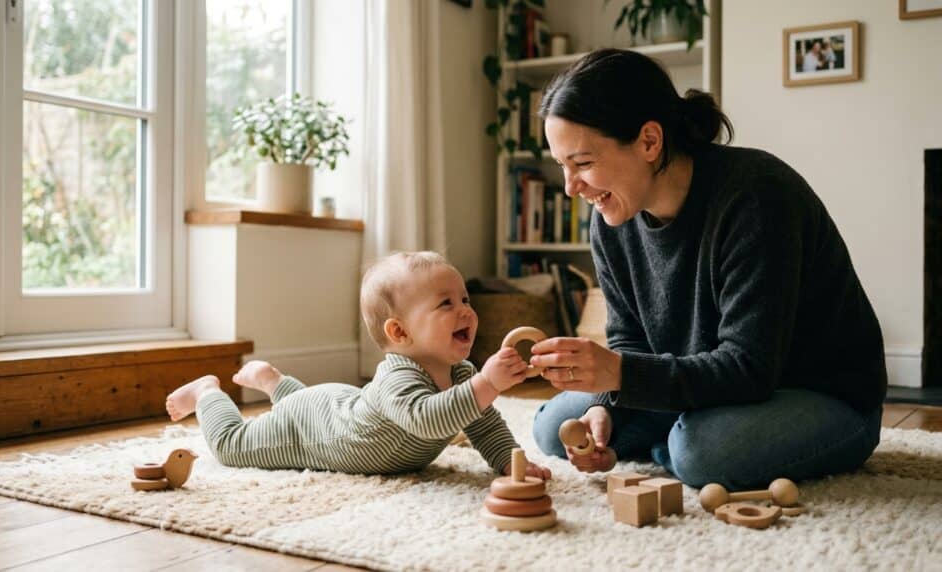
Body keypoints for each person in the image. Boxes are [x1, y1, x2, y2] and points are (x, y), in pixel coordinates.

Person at [528, 48, 886, 490]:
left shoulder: (757, 196)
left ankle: (676, 439)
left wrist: (622, 377)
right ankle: (677, 429)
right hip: (713, 387)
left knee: (701, 452)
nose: (570, 188)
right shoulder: (611, 217)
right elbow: (629, 340)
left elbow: (750, 367)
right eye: (563, 167)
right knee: (555, 425)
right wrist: (605, 402)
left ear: (649, 141)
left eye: (582, 164)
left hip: (821, 394)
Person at [165, 251, 551, 480]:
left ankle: (274, 381)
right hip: (317, 431)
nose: (466, 310)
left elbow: (483, 422)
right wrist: (489, 383)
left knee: (317, 401)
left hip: (341, 404)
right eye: (446, 304)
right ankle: (207, 393)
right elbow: (427, 419)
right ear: (399, 332)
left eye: (464, 298)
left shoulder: (462, 375)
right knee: (233, 447)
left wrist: (508, 462)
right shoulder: (400, 377)